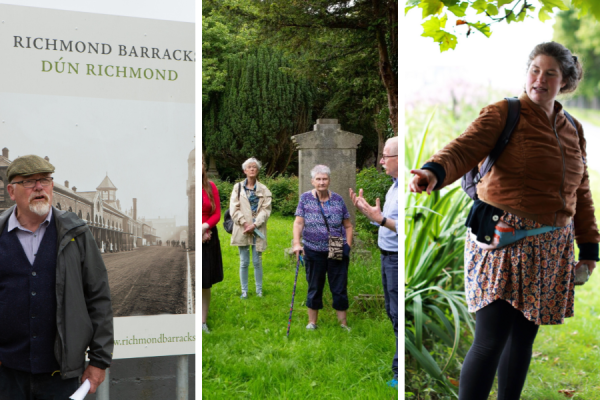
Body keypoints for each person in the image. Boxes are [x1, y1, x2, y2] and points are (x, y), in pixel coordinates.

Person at [409, 42, 599, 400]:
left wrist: (588, 247)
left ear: (565, 81)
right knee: (491, 339)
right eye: (535, 70)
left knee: (523, 337)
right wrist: (433, 171)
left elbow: (581, 191)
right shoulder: (504, 112)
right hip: (502, 240)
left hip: (550, 246)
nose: (539, 79)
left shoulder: (572, 128)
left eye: (550, 73)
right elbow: (464, 147)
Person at [0, 155, 113, 398]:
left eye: (45, 180)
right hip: (7, 377)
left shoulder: (77, 234)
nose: (39, 187)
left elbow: (99, 299)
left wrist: (99, 361)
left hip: (61, 377)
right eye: (29, 182)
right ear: (11, 190)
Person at [350, 136, 399, 388]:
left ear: (399, 159)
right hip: (386, 256)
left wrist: (380, 220)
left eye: (386, 156)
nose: (381, 160)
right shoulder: (393, 187)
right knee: (392, 312)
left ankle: (399, 375)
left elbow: (407, 227)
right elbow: (387, 221)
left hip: (397, 259)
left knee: (398, 314)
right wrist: (369, 213)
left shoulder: (408, 189)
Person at [293, 165, 353, 331]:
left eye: (324, 179)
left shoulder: (338, 200)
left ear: (329, 180)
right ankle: (312, 323)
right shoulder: (305, 199)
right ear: (312, 181)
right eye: (318, 179)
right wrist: (297, 243)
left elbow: (348, 225)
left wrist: (347, 245)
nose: (321, 182)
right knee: (314, 285)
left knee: (339, 285)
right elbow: (298, 223)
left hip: (335, 245)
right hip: (312, 248)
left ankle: (343, 324)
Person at [229, 158, 272, 299]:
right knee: (244, 261)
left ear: (258, 170)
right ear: (244, 171)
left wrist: (255, 224)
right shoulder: (238, 187)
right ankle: (244, 291)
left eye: (254, 167)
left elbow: (266, 210)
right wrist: (245, 223)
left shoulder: (264, 189)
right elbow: (233, 208)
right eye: (249, 167)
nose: (252, 169)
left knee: (257, 261)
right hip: (242, 229)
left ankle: (259, 291)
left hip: (257, 229)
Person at [202, 159, 224, 334]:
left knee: (205, 282)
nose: (199, 165)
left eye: (201, 162)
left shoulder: (211, 187)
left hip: (208, 236)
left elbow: (217, 213)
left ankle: (202, 321)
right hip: (197, 235)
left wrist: (205, 227)